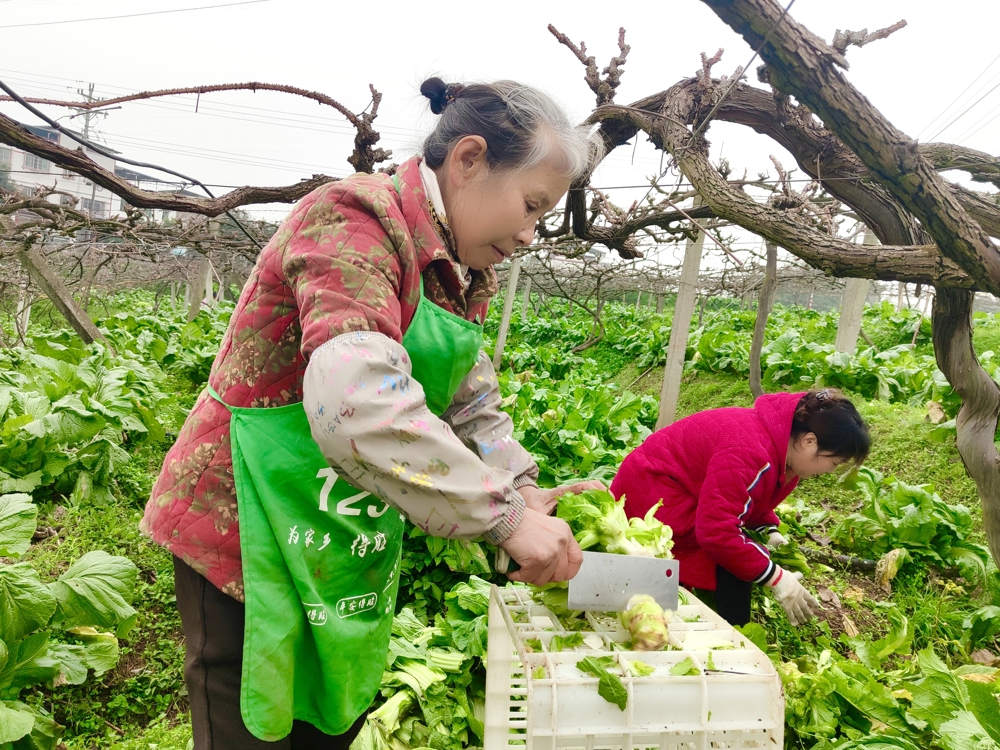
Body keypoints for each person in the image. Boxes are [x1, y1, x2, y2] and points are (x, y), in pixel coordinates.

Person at [140, 77, 605, 749]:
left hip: (336, 523)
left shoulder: (460, 272)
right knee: (254, 721)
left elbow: (473, 403)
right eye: (532, 205)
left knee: (330, 714)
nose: (532, 233)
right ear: (469, 160)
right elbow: (353, 398)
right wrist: (501, 519)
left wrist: (524, 491)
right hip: (245, 526)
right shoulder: (356, 219)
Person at [610, 389, 869, 628]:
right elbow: (716, 531)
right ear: (809, 442)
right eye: (833, 463)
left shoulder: (779, 446)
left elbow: (740, 492)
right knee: (732, 555)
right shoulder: (752, 452)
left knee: (747, 554)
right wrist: (776, 577)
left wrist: (768, 529)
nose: (828, 472)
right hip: (652, 496)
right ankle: (735, 632)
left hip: (677, 489)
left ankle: (731, 628)